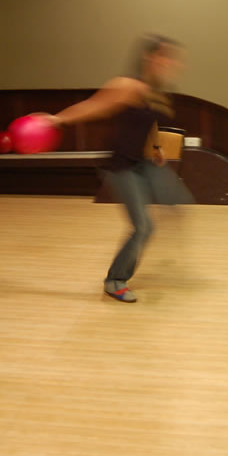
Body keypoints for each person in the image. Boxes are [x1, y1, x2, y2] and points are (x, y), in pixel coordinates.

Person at [44, 34, 193, 303]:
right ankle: (115, 280)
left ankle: (162, 212)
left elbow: (150, 122)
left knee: (176, 199)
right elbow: (94, 107)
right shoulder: (127, 86)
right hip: (122, 165)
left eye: (174, 58)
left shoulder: (157, 92)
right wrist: (56, 119)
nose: (173, 63)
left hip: (142, 162)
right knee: (144, 227)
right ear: (150, 57)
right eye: (166, 56)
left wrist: (156, 147)